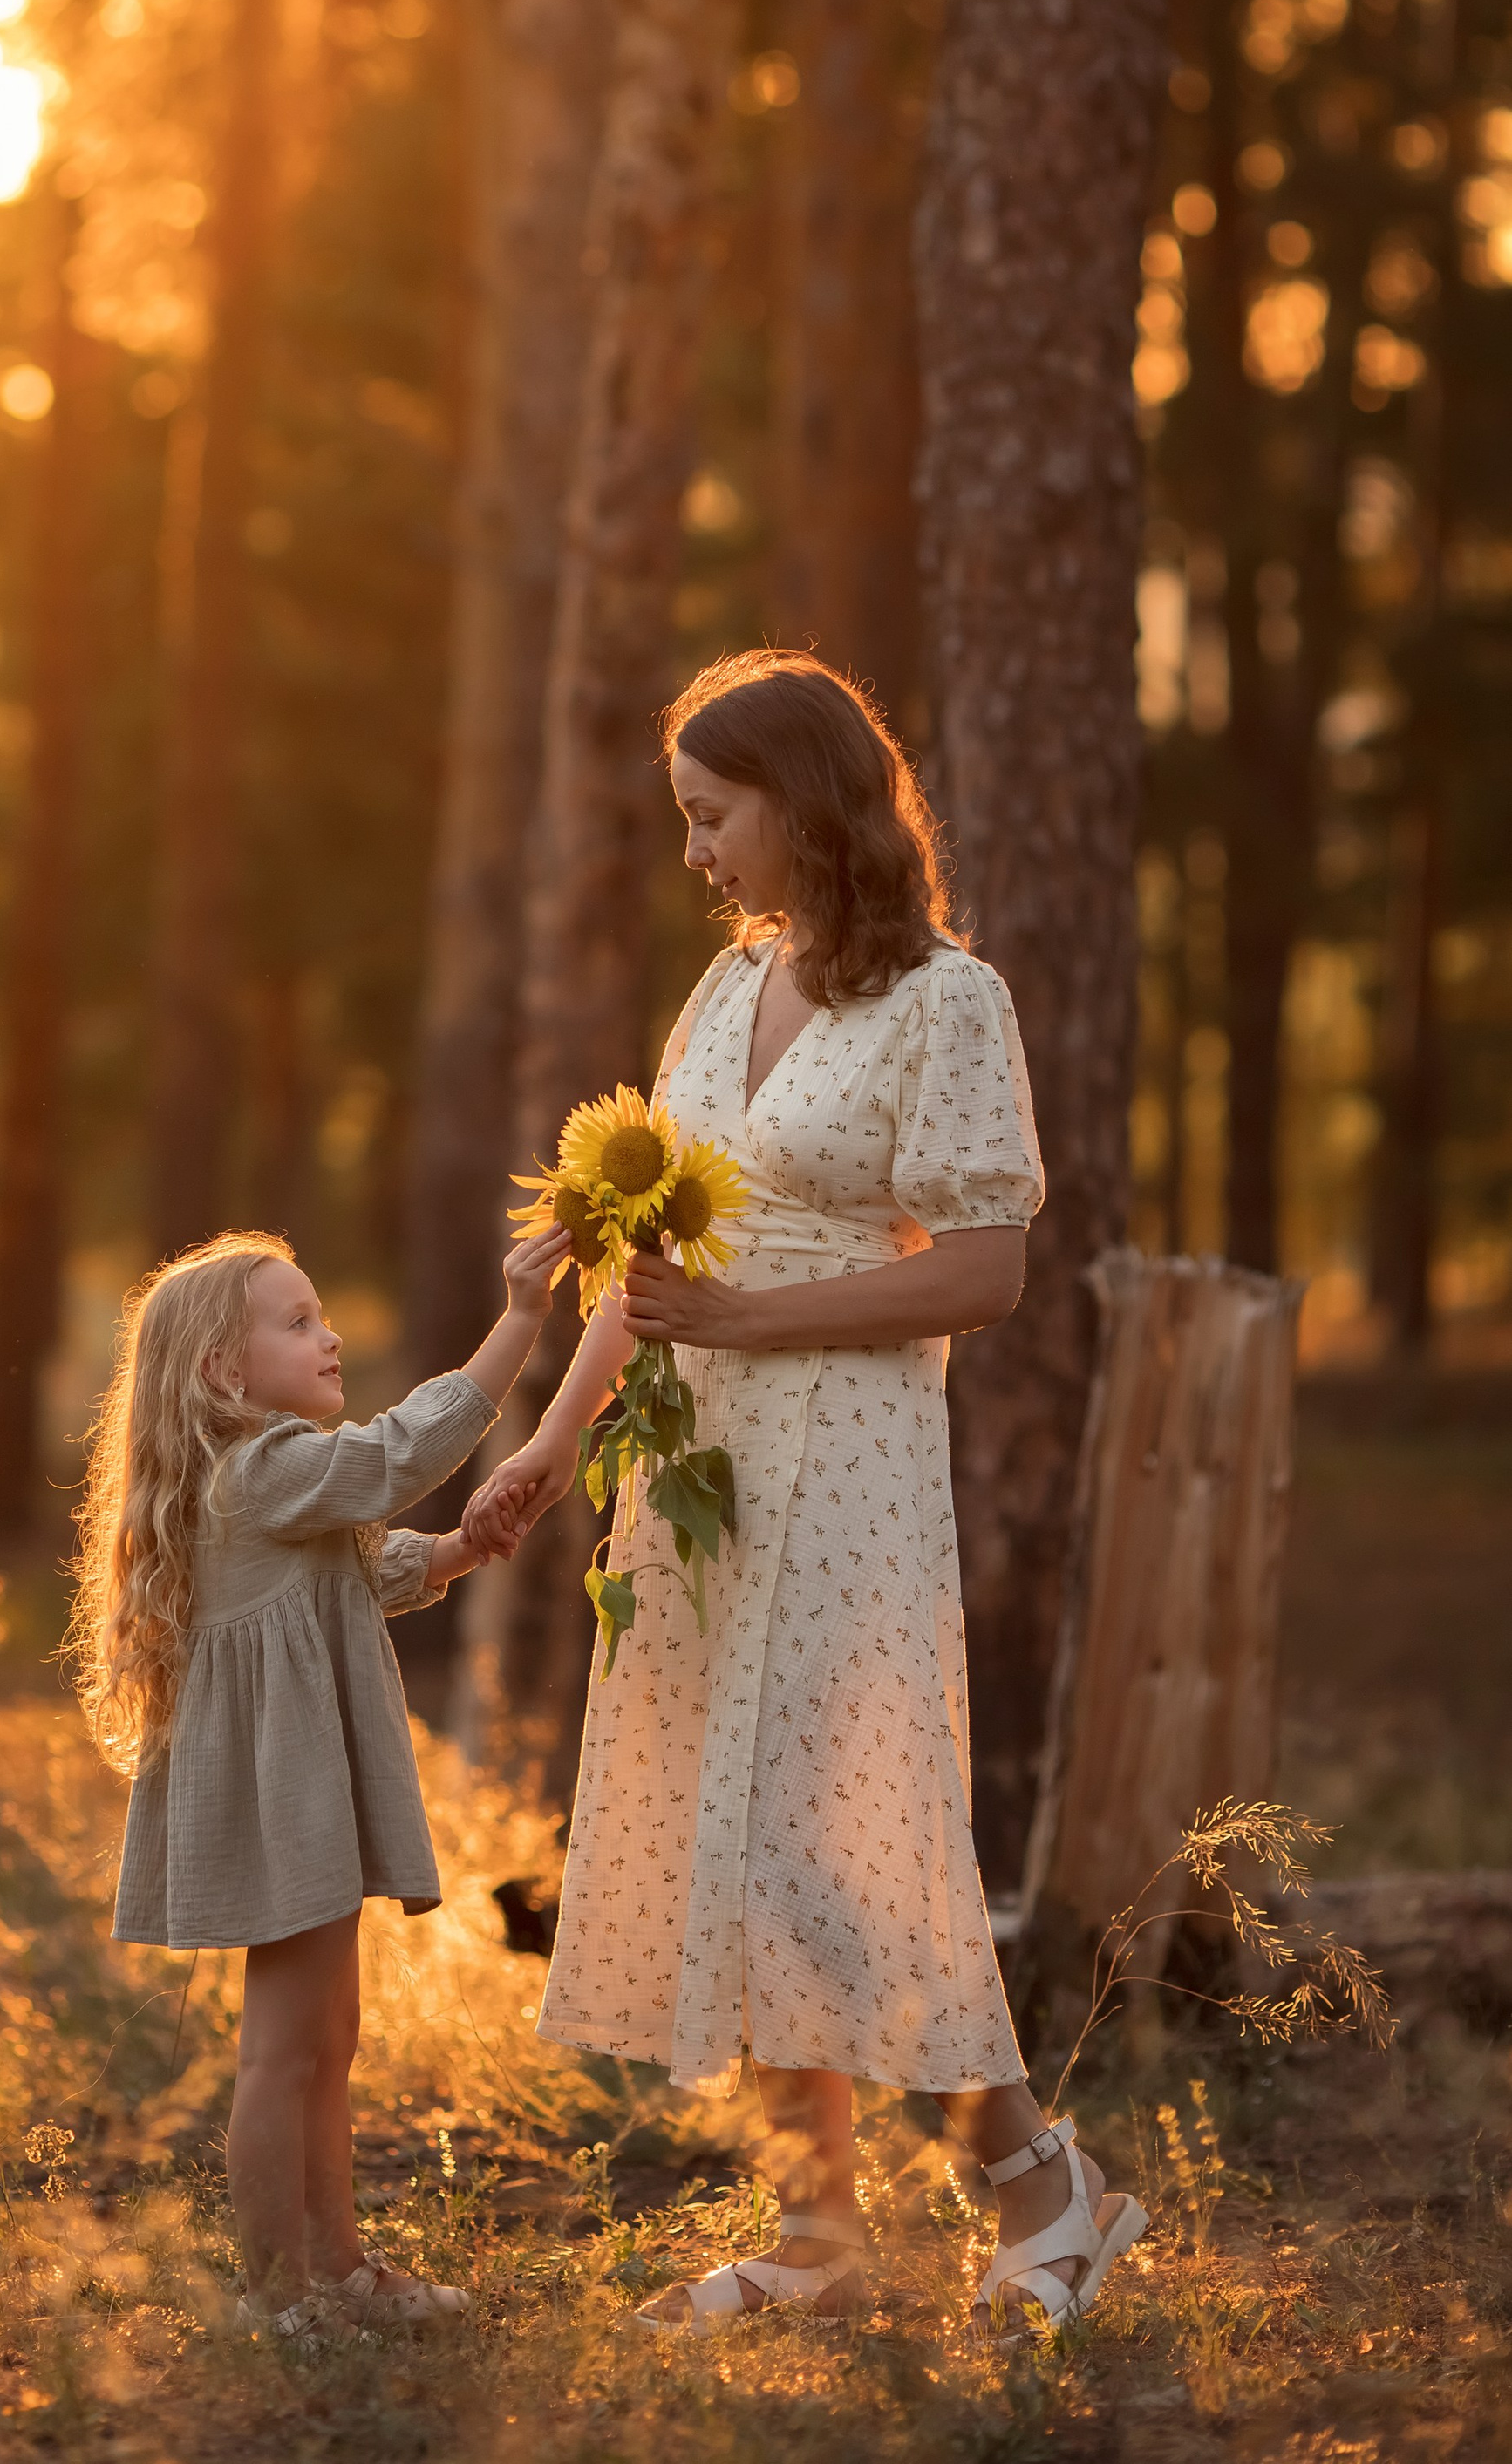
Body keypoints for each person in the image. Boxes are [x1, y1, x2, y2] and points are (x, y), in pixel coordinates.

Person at [463, 650, 1147, 2337]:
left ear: (805, 802)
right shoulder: (720, 998)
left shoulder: (946, 1002)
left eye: (715, 817)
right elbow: (652, 1257)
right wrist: (554, 1443)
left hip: (846, 1455)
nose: (699, 854)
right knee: (730, 1838)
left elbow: (984, 1270)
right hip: (700, 1474)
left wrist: (756, 1318)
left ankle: (1046, 2189)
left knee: (848, 1842)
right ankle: (818, 2241)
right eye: (685, 819)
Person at [67, 1220, 564, 2339]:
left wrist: (458, 1549)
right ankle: (275, 2292)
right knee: (283, 2051)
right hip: (279, 1800)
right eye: (298, 1323)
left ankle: (336, 2271)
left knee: (325, 2038)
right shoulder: (260, 1471)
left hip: (298, 1793)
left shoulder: (266, 1484)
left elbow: (357, 1568)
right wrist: (522, 1320)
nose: (330, 1338)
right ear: (221, 1371)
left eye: (324, 1315)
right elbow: (395, 1458)